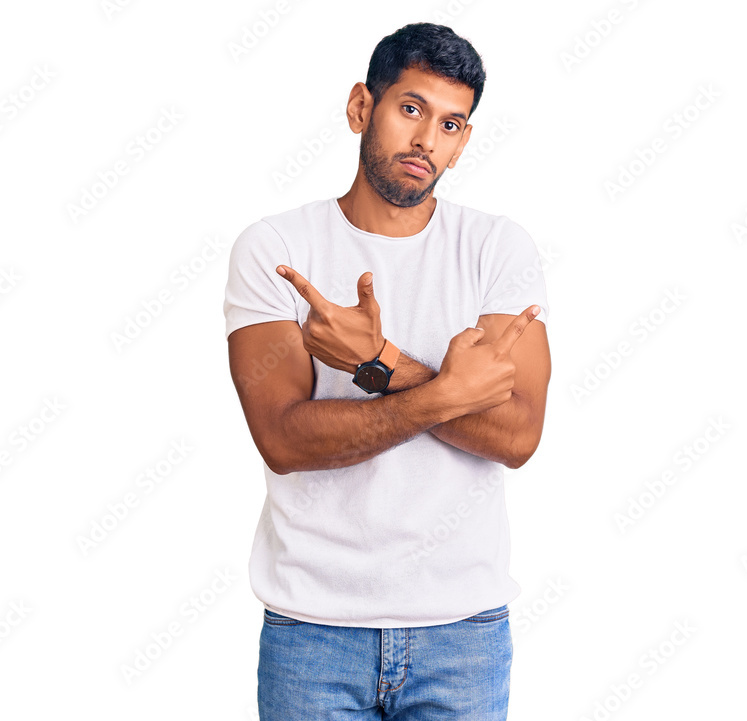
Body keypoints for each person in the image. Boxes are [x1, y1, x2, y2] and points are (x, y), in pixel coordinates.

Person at [224, 21, 551, 720]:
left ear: (463, 141)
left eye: (450, 124)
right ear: (360, 107)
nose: (427, 139)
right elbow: (283, 439)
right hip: (313, 628)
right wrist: (449, 392)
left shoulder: (497, 249)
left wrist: (382, 365)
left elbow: (517, 435)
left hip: (462, 630)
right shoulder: (276, 248)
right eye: (411, 108)